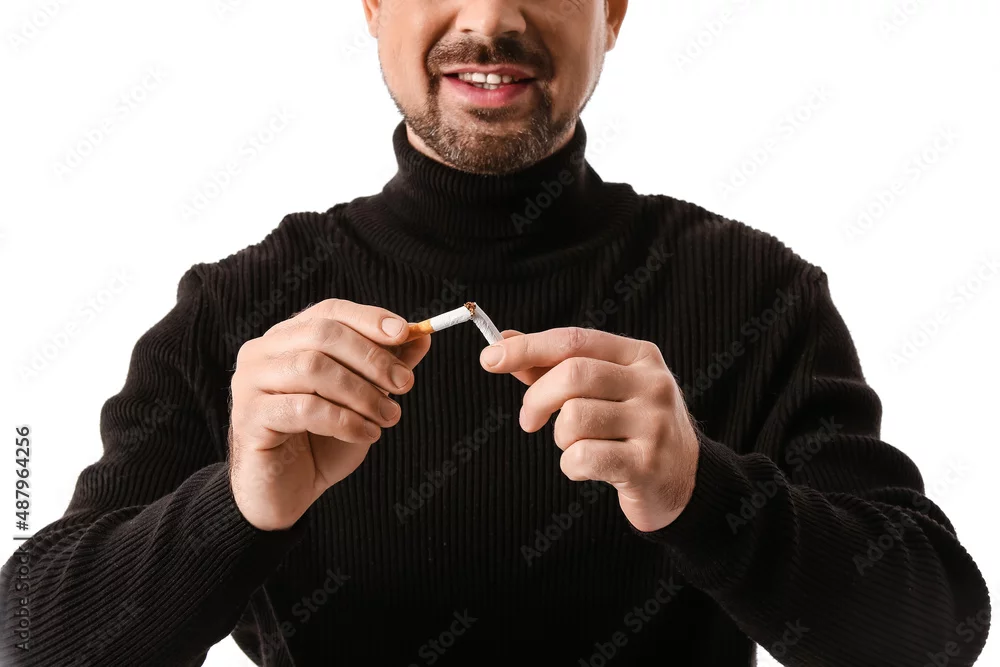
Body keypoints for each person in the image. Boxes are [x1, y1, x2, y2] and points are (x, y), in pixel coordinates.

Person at [1, 1, 991, 665]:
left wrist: (703, 491)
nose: (488, 19)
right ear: (373, 5)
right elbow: (35, 637)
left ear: (611, 11)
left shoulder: (754, 293)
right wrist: (240, 504)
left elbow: (939, 630)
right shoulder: (238, 310)